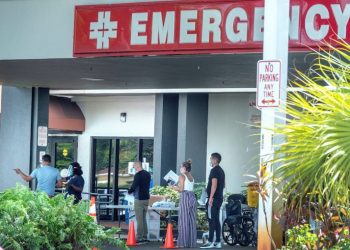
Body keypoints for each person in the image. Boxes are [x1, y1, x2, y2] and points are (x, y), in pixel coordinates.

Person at [201, 153, 225, 249]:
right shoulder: (221, 171)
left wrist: (210, 198)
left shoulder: (214, 170)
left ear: (215, 160)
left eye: (211, 159)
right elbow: (222, 185)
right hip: (219, 198)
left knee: (211, 220)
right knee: (216, 220)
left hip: (214, 199)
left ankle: (210, 241)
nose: (210, 161)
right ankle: (217, 242)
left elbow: (214, 185)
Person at [171, 159, 197, 248]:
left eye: (180, 166)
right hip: (192, 196)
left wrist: (173, 187)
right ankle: (191, 242)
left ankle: (183, 243)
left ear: (184, 168)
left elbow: (181, 189)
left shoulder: (182, 176)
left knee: (184, 220)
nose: (180, 168)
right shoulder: (191, 176)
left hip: (185, 196)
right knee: (191, 221)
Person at [128, 161, 151, 243]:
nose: (134, 168)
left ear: (137, 166)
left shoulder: (138, 175)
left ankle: (139, 237)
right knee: (144, 218)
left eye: (134, 167)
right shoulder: (148, 174)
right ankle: (145, 236)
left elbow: (134, 186)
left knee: (139, 219)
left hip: (139, 199)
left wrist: (129, 191)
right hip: (146, 199)